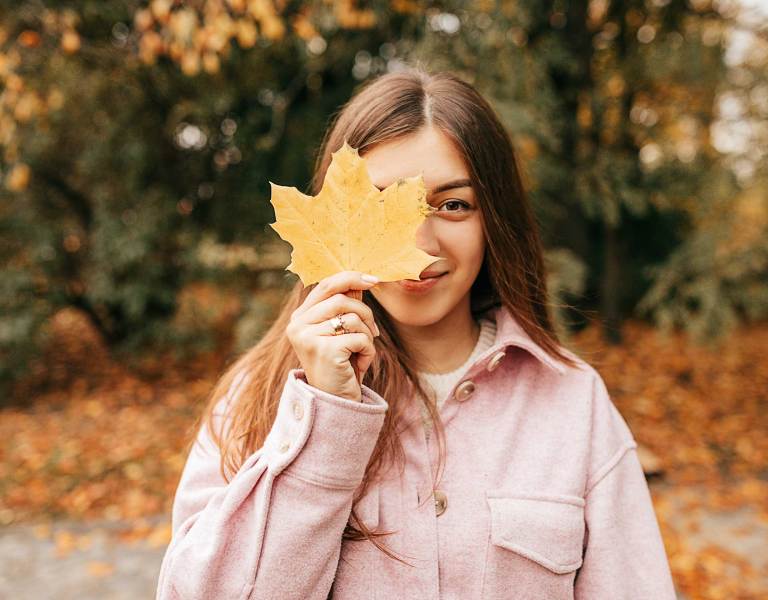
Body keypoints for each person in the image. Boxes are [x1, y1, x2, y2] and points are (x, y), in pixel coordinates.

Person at [155, 67, 677, 599]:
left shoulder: (572, 401)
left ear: (494, 218)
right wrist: (325, 421)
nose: (420, 245)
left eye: (453, 204)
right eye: (383, 205)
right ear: (338, 221)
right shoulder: (257, 400)